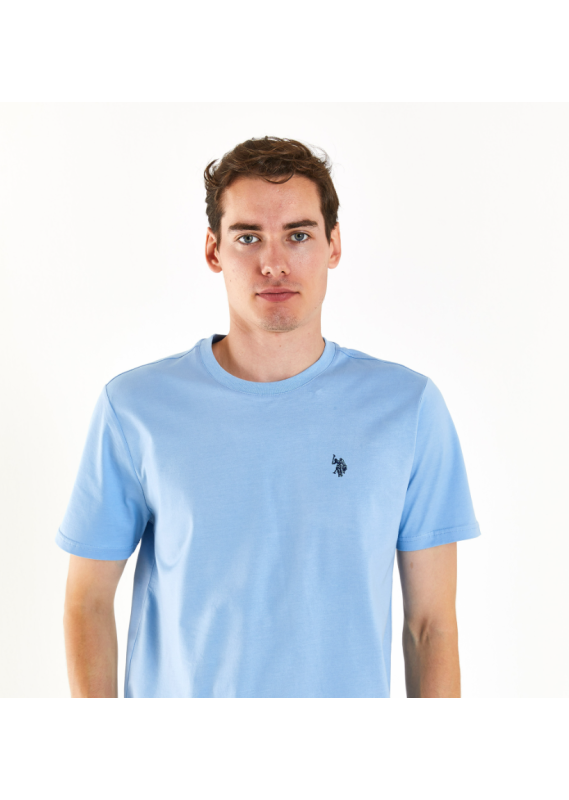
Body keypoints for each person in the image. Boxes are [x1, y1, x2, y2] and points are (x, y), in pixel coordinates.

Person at [57, 136, 480, 698]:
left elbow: (431, 627)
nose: (274, 263)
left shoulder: (407, 408)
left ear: (333, 245)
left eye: (298, 235)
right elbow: (87, 601)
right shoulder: (136, 408)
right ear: (214, 251)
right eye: (248, 237)